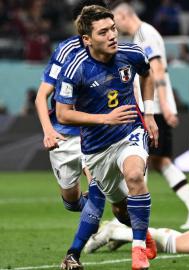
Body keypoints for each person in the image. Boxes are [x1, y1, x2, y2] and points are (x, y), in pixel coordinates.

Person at [54, 5, 158, 270]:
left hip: (130, 132)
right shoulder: (74, 69)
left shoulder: (132, 53)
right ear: (87, 39)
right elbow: (63, 114)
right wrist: (104, 118)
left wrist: (148, 113)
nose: (112, 35)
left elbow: (148, 75)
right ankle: (141, 233)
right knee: (121, 210)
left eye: (113, 28)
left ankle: (138, 253)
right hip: (97, 148)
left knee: (135, 176)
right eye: (103, 32)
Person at [110, 1, 189, 230]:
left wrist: (163, 105)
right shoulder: (140, 36)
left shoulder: (145, 34)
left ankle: (133, 220)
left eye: (116, 23)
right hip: (151, 107)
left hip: (152, 109)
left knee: (140, 160)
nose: (116, 30)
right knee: (159, 160)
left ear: (124, 16)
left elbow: (157, 70)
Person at [34, 1, 109, 269]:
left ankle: (73, 255)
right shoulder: (66, 50)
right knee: (72, 202)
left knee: (98, 193)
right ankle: (95, 215)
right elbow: (42, 96)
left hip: (95, 132)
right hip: (64, 135)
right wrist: (48, 130)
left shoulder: (114, 50)